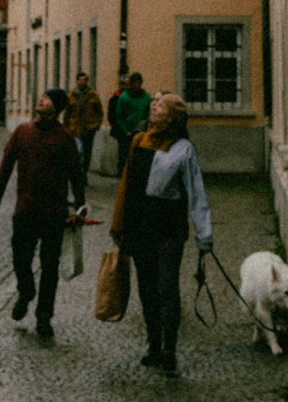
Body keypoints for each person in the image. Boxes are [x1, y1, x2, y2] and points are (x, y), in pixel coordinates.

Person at [110, 92, 212, 377]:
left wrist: (204, 236)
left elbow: (196, 193)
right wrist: (118, 224)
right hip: (140, 225)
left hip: (169, 227)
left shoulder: (183, 149)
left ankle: (169, 350)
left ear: (172, 117)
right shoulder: (138, 140)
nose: (154, 105)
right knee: (147, 289)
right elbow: (127, 185)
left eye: (161, 104)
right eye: (154, 102)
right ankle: (153, 344)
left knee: (167, 288)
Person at [0, 88, 86, 341]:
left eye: (48, 98)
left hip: (54, 213)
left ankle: (44, 316)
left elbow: (76, 176)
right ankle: (26, 290)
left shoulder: (65, 138)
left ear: (57, 108)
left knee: (50, 266)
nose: (41, 99)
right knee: (20, 257)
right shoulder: (22, 132)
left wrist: (80, 210)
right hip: (26, 209)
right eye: (41, 96)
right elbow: (6, 165)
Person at [63, 71, 104, 178]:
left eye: (85, 80)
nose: (83, 82)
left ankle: (83, 173)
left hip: (89, 129)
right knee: (78, 151)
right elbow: (67, 113)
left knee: (87, 153)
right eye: (80, 80)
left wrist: (97, 125)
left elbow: (99, 112)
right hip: (75, 129)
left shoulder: (93, 95)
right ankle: (77, 173)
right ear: (77, 81)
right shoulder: (71, 96)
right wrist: (65, 127)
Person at [113, 71, 150, 172]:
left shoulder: (146, 97)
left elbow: (147, 114)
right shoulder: (124, 97)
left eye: (139, 83)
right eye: (135, 83)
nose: (137, 85)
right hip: (127, 132)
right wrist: (126, 130)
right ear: (131, 84)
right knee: (125, 156)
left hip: (141, 131)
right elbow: (120, 116)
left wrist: (144, 126)